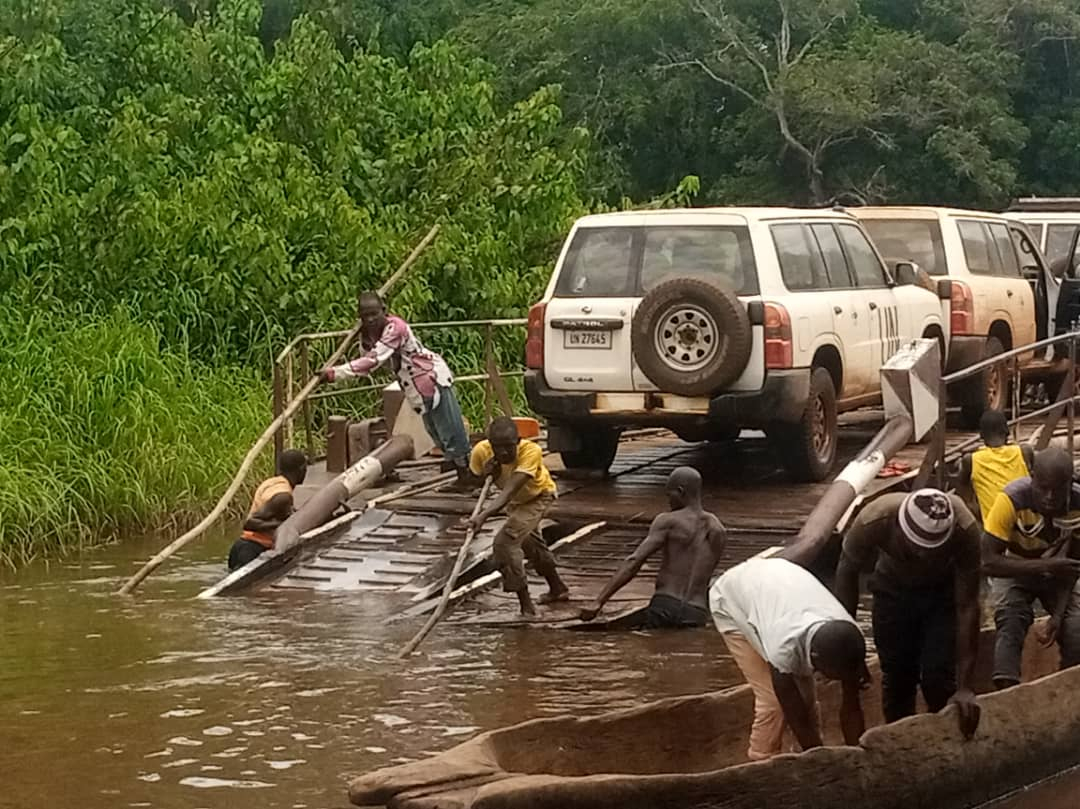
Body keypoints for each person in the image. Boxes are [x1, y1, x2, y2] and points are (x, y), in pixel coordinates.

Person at [834, 489, 981, 738]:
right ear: (900, 529)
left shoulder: (965, 529)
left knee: (938, 676)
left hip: (941, 596)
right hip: (891, 591)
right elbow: (846, 572)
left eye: (932, 549)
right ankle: (899, 738)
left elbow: (967, 606)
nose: (924, 555)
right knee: (897, 676)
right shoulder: (874, 519)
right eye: (918, 547)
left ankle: (944, 736)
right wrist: (849, 649)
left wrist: (966, 686)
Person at [709, 542, 867, 761]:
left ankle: (802, 757)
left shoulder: (849, 638)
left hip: (777, 582)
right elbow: (794, 712)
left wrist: (858, 757)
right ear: (815, 657)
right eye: (830, 675)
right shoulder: (782, 646)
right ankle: (761, 761)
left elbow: (852, 704)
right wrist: (819, 761)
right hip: (731, 600)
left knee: (806, 696)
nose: (831, 680)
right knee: (773, 702)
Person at [320, 291, 473, 486]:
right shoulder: (370, 334)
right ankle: (456, 473)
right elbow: (367, 358)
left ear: (384, 310)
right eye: (366, 316)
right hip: (416, 388)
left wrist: (334, 374)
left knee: (449, 428)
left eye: (374, 314)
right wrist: (362, 336)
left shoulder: (396, 328)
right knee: (435, 430)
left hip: (432, 379)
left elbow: (372, 361)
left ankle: (465, 475)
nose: (371, 319)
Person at [578, 467, 726, 628]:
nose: (668, 502)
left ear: (680, 491)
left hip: (665, 604)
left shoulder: (668, 521)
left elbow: (634, 561)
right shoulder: (718, 529)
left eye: (669, 495)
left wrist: (599, 601)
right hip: (696, 611)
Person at [982, 447, 1080, 689]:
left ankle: (1068, 688)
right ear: (1032, 477)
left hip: (1057, 573)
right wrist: (1044, 565)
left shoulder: (1078, 504)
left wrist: (1057, 616)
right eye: (1043, 488)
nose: (1049, 497)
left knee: (1075, 626)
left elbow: (1072, 569)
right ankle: (1006, 690)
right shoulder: (1011, 500)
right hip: (1014, 568)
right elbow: (988, 561)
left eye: (1057, 490)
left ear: (1069, 484)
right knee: (1011, 618)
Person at [466, 416, 569, 617]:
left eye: (508, 446)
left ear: (518, 441)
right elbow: (471, 480)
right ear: (490, 444)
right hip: (516, 503)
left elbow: (511, 488)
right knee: (529, 541)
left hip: (539, 496)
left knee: (505, 543)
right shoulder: (481, 451)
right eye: (498, 447)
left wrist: (484, 515)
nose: (503, 452)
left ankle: (526, 606)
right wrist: (485, 474)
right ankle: (557, 588)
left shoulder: (531, 451)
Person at [227, 449, 308, 570]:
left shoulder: (271, 483)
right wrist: (283, 525)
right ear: (301, 469)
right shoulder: (283, 496)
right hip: (252, 549)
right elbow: (250, 523)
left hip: (241, 547)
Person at [958, 410, 1033, 522]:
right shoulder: (1024, 452)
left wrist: (973, 506)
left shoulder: (971, 460)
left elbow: (962, 486)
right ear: (1007, 433)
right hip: (1030, 527)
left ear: (981, 436)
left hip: (995, 528)